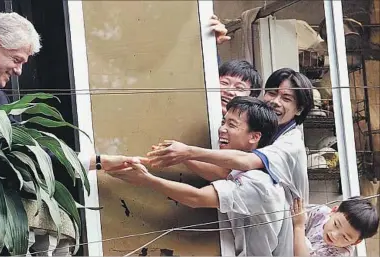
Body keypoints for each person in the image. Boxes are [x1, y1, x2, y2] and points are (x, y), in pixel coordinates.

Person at [0, 12, 138, 172]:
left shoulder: (0, 99)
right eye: (16, 60)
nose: (18, 71)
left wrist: (99, 161)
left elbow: (28, 149)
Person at [107, 96, 292, 256]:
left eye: (232, 125)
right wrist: (179, 158)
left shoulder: (258, 183)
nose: (222, 129)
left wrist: (147, 180)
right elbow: (221, 174)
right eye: (223, 122)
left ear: (254, 137)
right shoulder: (249, 172)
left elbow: (197, 198)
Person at [147, 68, 314, 206]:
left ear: (299, 109)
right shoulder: (263, 129)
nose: (276, 101)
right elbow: (223, 172)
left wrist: (187, 152)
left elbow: (246, 162)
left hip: (287, 233)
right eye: (271, 93)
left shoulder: (290, 143)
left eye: (286, 98)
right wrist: (178, 156)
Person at [291, 197, 379, 256]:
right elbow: (298, 214)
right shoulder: (321, 212)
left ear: (355, 242)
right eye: (336, 224)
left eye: (345, 237)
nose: (334, 235)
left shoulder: (340, 254)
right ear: (333, 211)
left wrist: (299, 227)